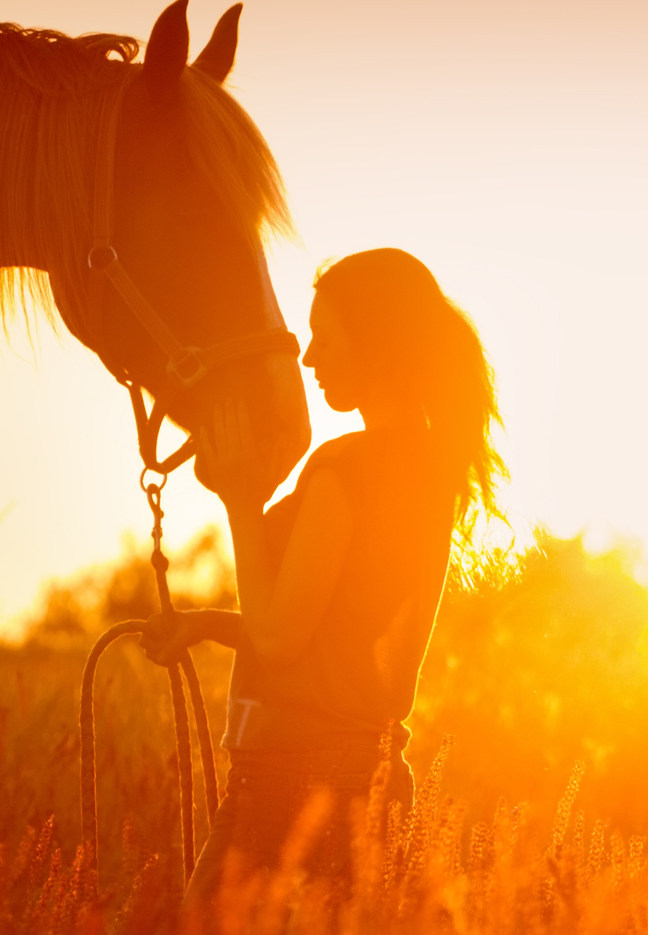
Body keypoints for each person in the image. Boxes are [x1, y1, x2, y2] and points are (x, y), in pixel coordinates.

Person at [140, 248, 504, 903]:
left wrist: (241, 500)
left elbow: (280, 637)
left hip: (289, 786)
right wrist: (208, 625)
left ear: (376, 344)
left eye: (323, 339)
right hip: (370, 774)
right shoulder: (429, 471)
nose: (307, 359)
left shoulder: (345, 469)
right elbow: (341, 638)